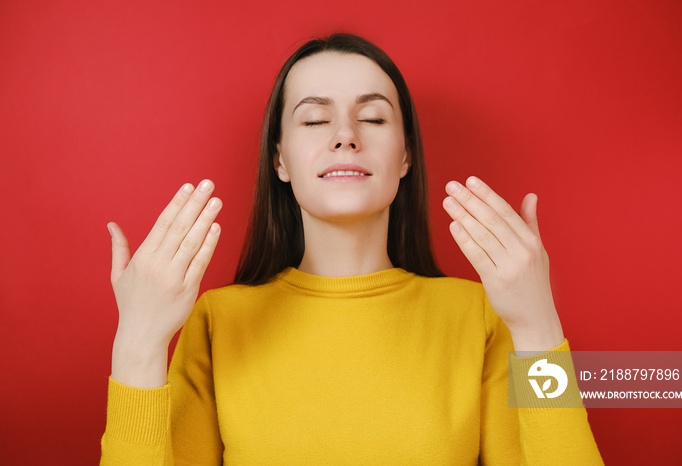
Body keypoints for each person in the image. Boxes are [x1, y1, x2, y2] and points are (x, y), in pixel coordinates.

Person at [101, 33, 603, 464]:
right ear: (280, 159)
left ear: (405, 157)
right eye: (315, 120)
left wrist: (540, 328)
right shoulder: (217, 323)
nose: (345, 136)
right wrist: (137, 345)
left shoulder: (479, 319)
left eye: (375, 119)